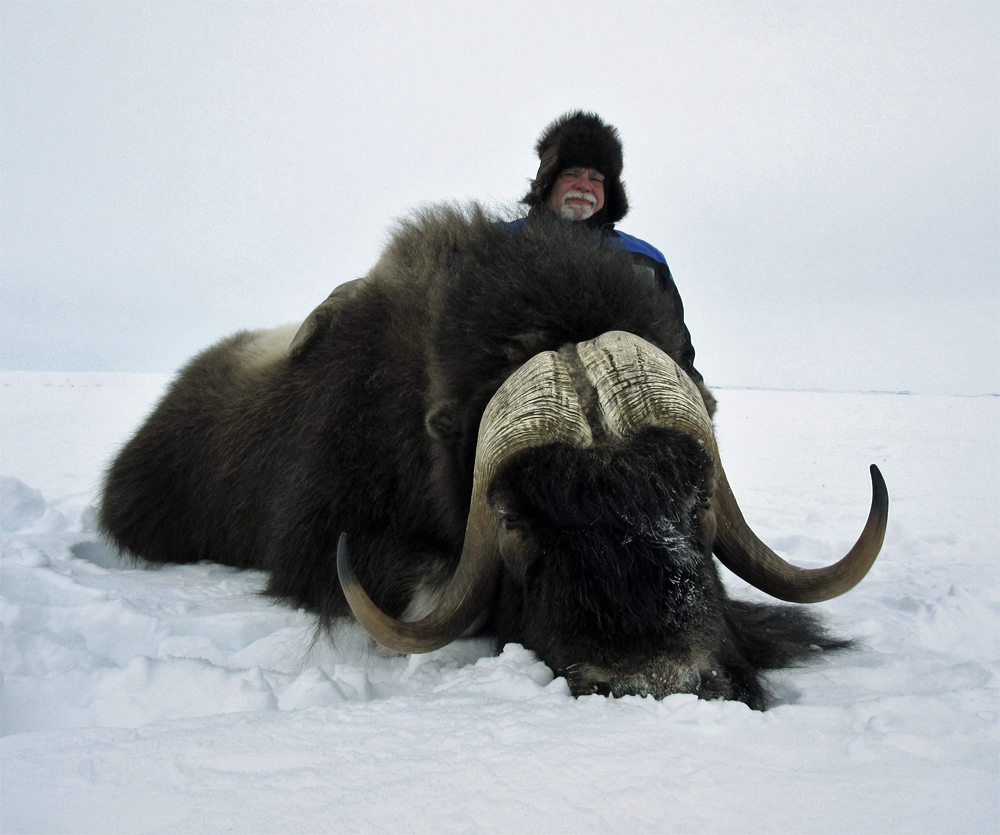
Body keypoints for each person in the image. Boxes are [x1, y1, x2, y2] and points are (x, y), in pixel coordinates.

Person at [517, 110, 703, 385]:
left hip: (628, 401)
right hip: (524, 402)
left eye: (597, 178)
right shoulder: (498, 245)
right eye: (571, 174)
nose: (584, 186)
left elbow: (678, 353)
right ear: (547, 182)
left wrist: (692, 393)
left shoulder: (646, 261)